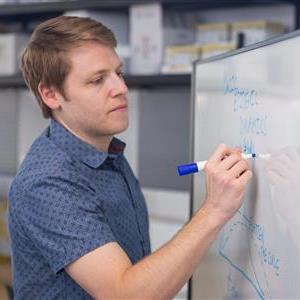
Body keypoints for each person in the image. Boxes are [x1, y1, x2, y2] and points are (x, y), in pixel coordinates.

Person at [8, 16, 252, 299]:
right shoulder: (47, 182)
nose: (121, 89)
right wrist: (214, 211)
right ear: (51, 95)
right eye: (98, 80)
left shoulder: (106, 152)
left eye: (118, 73)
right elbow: (124, 294)